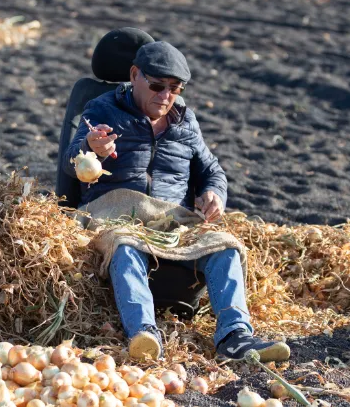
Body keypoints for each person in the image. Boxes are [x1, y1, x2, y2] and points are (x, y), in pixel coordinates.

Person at [62, 40, 291, 362]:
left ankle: (235, 336)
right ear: (134, 75)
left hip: (172, 219)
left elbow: (212, 170)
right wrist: (90, 147)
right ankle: (144, 333)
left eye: (174, 88)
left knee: (224, 245)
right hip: (116, 211)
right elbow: (71, 160)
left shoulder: (185, 122)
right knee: (125, 244)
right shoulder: (103, 109)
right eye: (157, 86)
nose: (165, 96)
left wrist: (215, 194)